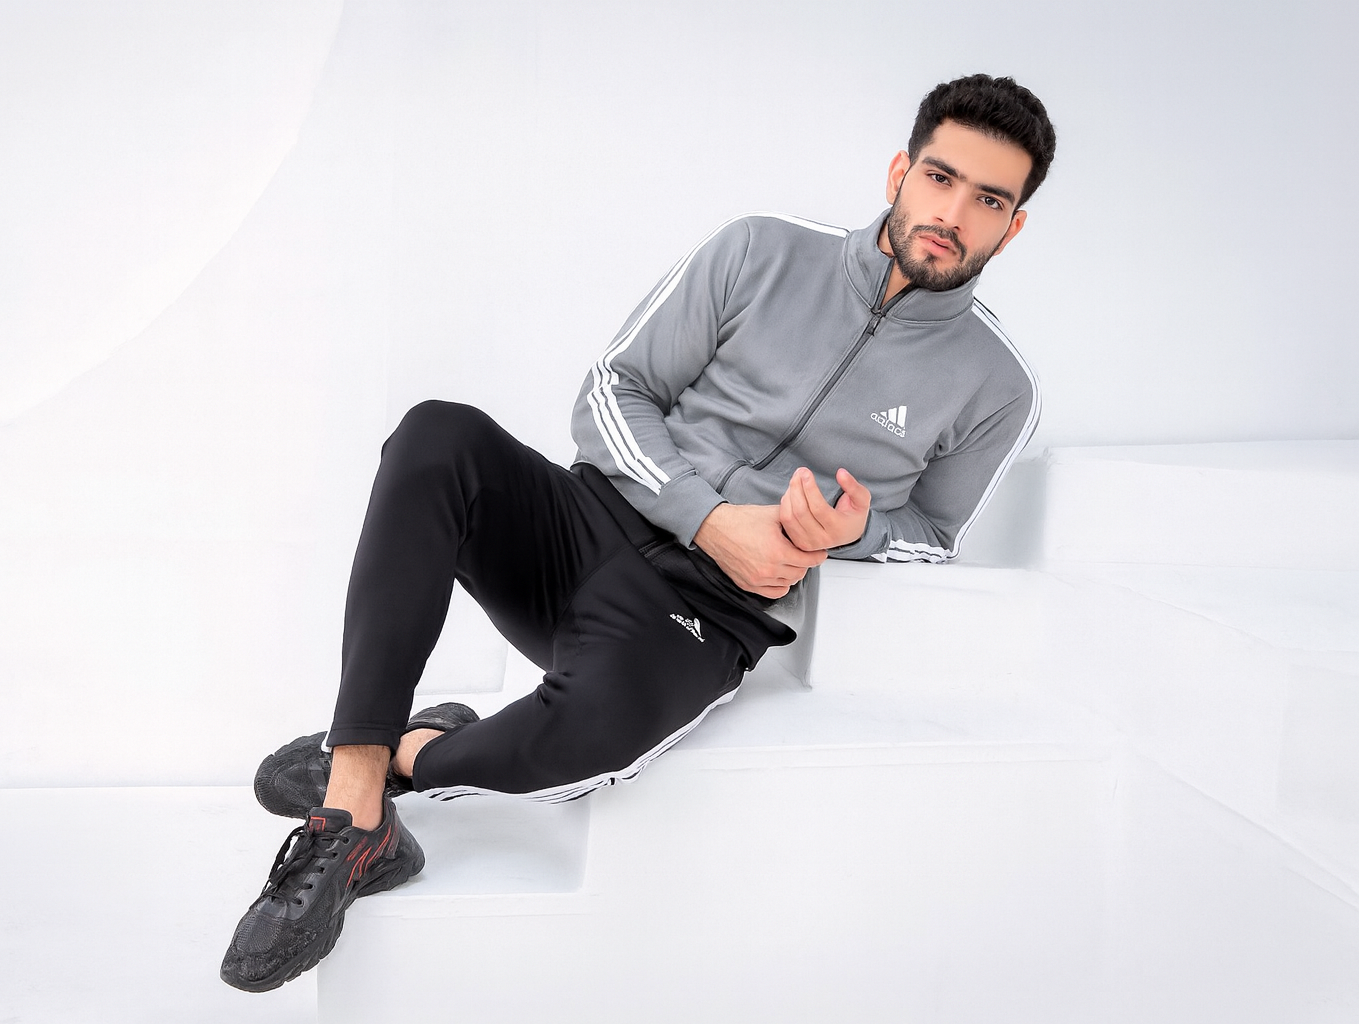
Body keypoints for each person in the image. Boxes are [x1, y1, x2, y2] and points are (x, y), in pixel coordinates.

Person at [220, 72, 1056, 992]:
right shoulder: (761, 250)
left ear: (1013, 227)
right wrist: (708, 515)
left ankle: (396, 754)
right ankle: (353, 817)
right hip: (585, 522)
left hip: (701, 613)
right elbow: (614, 392)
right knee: (436, 435)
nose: (952, 215)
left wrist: (852, 532)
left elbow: (933, 533)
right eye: (940, 178)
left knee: (590, 737)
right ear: (900, 171)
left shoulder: (997, 386)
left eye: (988, 200)